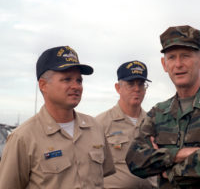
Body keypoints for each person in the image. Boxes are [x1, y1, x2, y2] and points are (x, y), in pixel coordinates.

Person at [0, 45, 115, 189]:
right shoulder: (23, 137)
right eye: (67, 79)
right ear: (43, 85)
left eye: (79, 81)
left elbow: (103, 175)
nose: (76, 86)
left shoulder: (95, 127)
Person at [126, 25, 200, 189]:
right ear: (164, 64)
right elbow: (135, 160)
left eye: (185, 56)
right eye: (172, 57)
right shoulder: (158, 113)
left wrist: (170, 172)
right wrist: (180, 154)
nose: (178, 64)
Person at [96, 60, 158, 189]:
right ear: (118, 88)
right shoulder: (100, 123)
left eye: (141, 84)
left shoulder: (153, 122)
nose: (137, 89)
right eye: (131, 84)